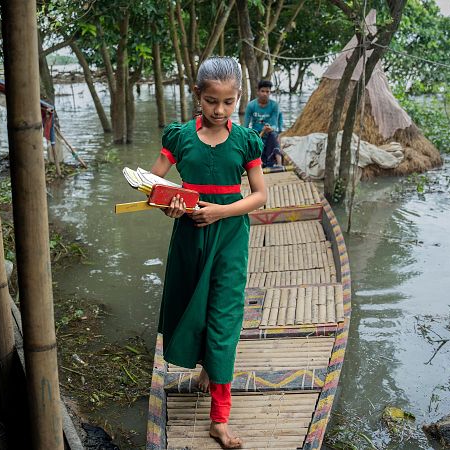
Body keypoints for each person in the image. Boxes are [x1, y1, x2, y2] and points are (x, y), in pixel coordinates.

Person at [150, 56, 267, 449]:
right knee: (192, 307)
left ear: (239, 99)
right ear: (197, 95)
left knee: (224, 317)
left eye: (229, 102)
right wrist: (168, 204)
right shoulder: (179, 138)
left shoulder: (246, 140)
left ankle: (220, 418)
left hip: (230, 238)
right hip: (189, 238)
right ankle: (205, 369)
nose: (220, 110)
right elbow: (154, 187)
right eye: (212, 101)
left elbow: (260, 196)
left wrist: (219, 212)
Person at [244, 80, 284, 167]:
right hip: (257, 134)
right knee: (252, 139)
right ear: (258, 92)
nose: (265, 94)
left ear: (270, 93)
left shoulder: (274, 105)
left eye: (267, 91)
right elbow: (245, 126)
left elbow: (274, 124)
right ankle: (257, 161)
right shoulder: (251, 106)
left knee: (274, 135)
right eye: (262, 91)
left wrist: (269, 129)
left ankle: (279, 163)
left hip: (269, 133)